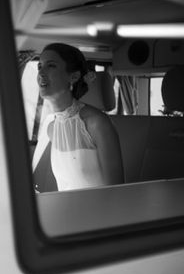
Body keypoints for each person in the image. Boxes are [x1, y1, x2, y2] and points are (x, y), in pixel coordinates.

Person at [33, 42, 123, 191]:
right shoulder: (51, 127)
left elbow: (116, 192)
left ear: (74, 76)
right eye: (39, 66)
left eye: (51, 66)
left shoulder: (96, 123)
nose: (41, 73)